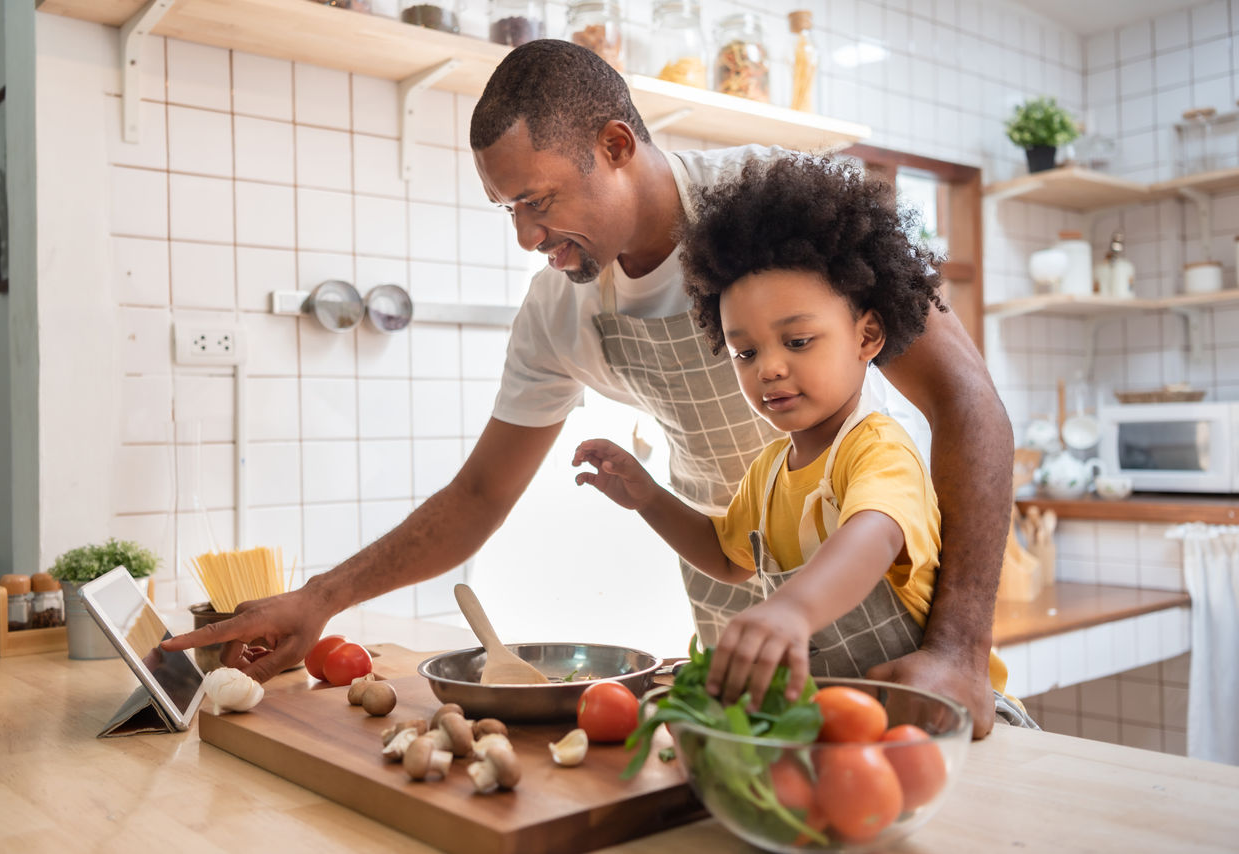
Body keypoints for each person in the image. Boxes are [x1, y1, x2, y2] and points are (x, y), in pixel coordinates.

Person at [163, 40, 1014, 737]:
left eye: (538, 200)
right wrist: (320, 598)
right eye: (509, 211)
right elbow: (480, 494)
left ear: (614, 146)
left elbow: (966, 401)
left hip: (892, 624)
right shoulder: (559, 310)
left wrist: (961, 650)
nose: (531, 238)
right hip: (739, 615)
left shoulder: (770, 210)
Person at [573, 153, 1007, 713]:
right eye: (745, 352)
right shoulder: (770, 471)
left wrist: (793, 609)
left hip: (944, 712)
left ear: (867, 335)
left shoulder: (876, 448)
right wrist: (649, 498)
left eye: (798, 341)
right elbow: (728, 558)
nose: (769, 368)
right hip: (853, 724)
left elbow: (873, 535)